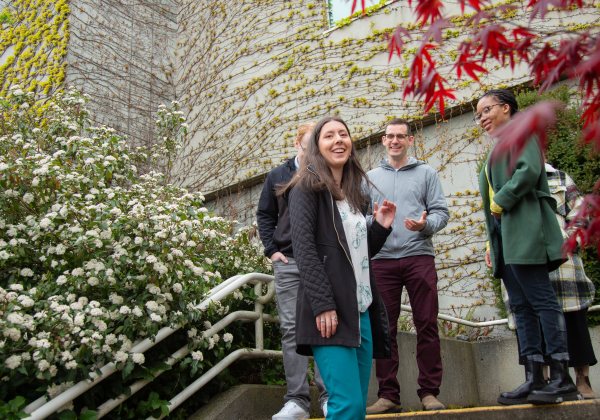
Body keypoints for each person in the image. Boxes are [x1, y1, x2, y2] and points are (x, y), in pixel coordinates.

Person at [281, 116, 395, 419]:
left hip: (361, 310)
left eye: (343, 134)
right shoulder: (306, 188)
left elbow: (355, 254)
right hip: (329, 312)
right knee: (346, 405)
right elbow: (304, 250)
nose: (338, 140)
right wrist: (322, 304)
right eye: (329, 135)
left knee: (355, 407)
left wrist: (380, 228)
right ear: (317, 146)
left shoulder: (353, 193)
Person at [477, 89, 580, 405]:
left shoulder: (523, 133)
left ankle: (562, 377)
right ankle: (534, 377)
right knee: (521, 306)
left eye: (486, 110)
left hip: (525, 233)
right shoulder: (499, 146)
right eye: (478, 114)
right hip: (506, 240)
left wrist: (502, 201)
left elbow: (529, 172)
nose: (481, 118)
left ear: (506, 108)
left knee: (541, 300)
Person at [365, 118, 450, 414]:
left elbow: (441, 211)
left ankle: (429, 393)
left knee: (426, 324)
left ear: (410, 140)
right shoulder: (371, 176)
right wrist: (375, 224)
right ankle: (388, 396)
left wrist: (425, 226)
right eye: (389, 136)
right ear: (384, 141)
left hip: (418, 257)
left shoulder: (426, 172)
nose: (394, 141)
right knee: (384, 330)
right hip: (382, 262)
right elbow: (361, 216)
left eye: (400, 136)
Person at [502, 162, 596, 399]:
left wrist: (565, 242)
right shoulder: (505, 177)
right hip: (521, 254)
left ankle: (582, 379)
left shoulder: (560, 178)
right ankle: (540, 379)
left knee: (572, 318)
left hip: (561, 259)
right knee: (529, 317)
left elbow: (580, 214)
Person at [257, 122, 329, 420]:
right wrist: (271, 250)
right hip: (288, 262)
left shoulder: (325, 174)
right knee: (291, 330)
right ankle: (297, 401)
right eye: (309, 144)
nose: (314, 150)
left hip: (323, 261)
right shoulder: (278, 175)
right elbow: (265, 214)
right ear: (297, 144)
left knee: (327, 328)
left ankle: (329, 398)